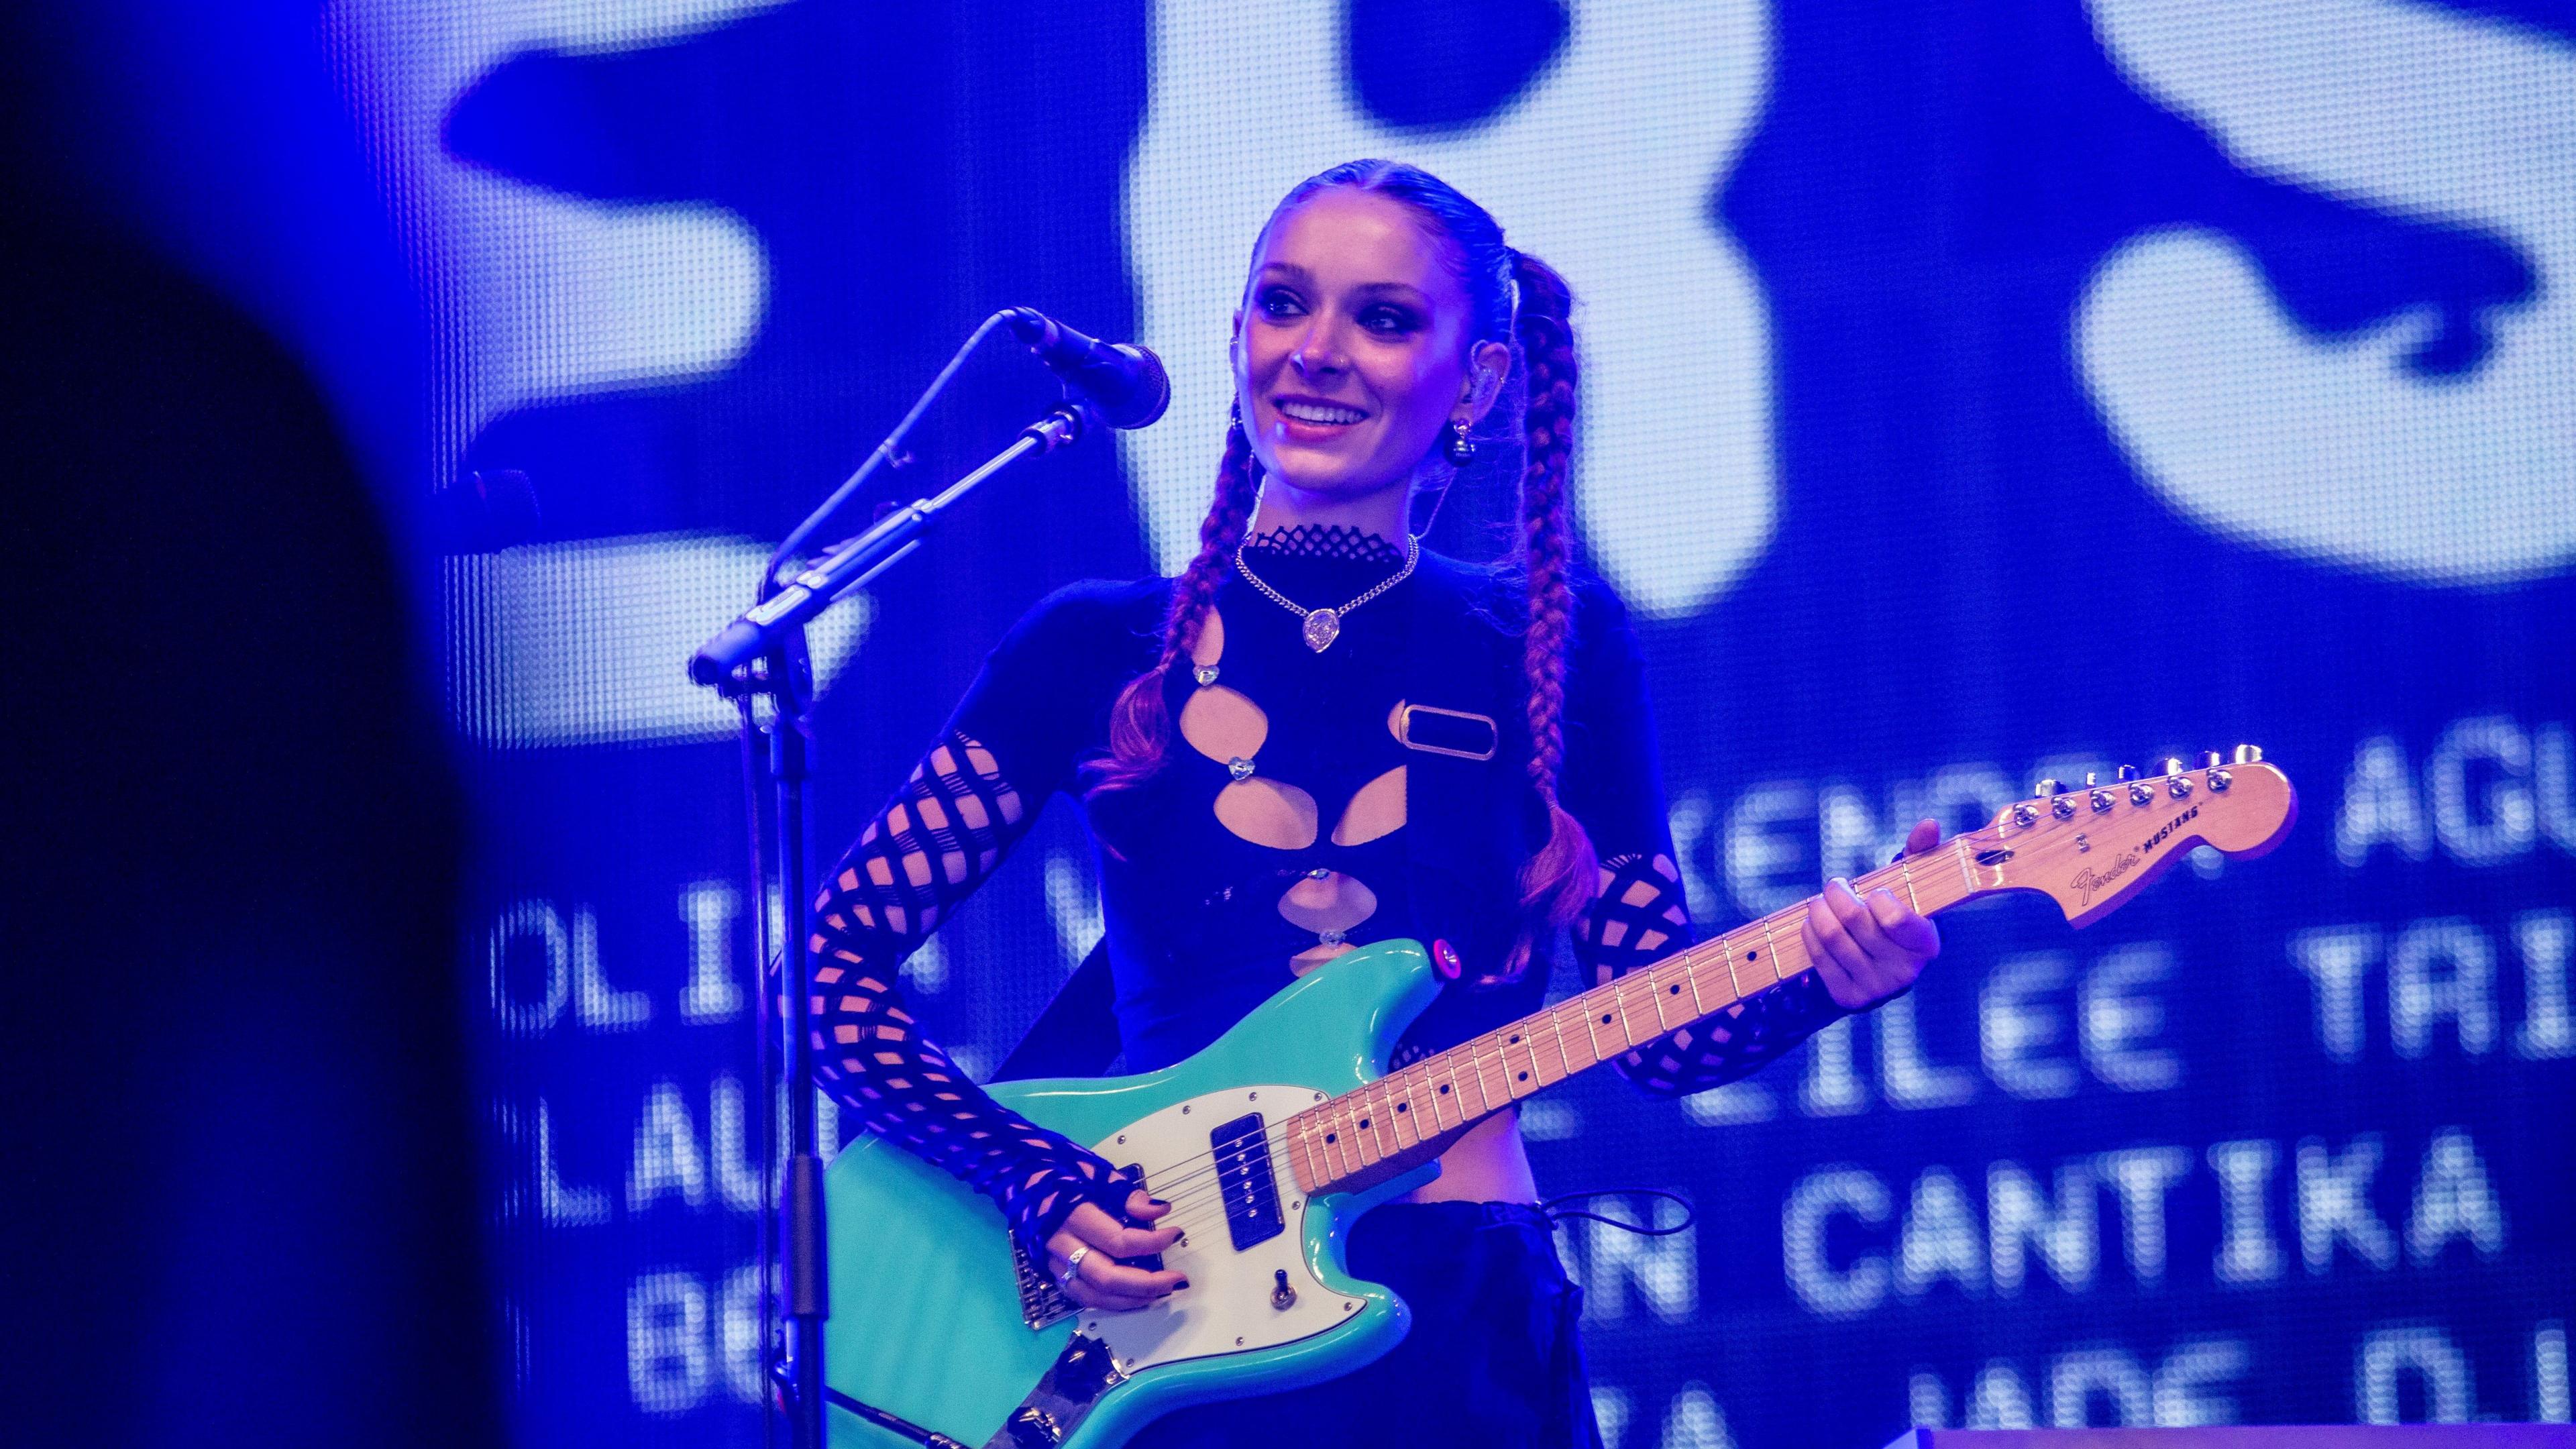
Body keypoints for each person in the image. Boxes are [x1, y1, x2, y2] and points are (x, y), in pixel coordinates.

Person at [806, 159, 1941, 1448]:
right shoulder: (1092, 645)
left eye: (1385, 319)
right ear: (1236, 337)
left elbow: (1661, 1028)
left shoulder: (1551, 645)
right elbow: (829, 972)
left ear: (1481, 382)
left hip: (1461, 1334)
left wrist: (1829, 975)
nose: (1319, 352)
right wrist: (1034, 1182)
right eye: (1285, 305)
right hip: (1170, 1329)